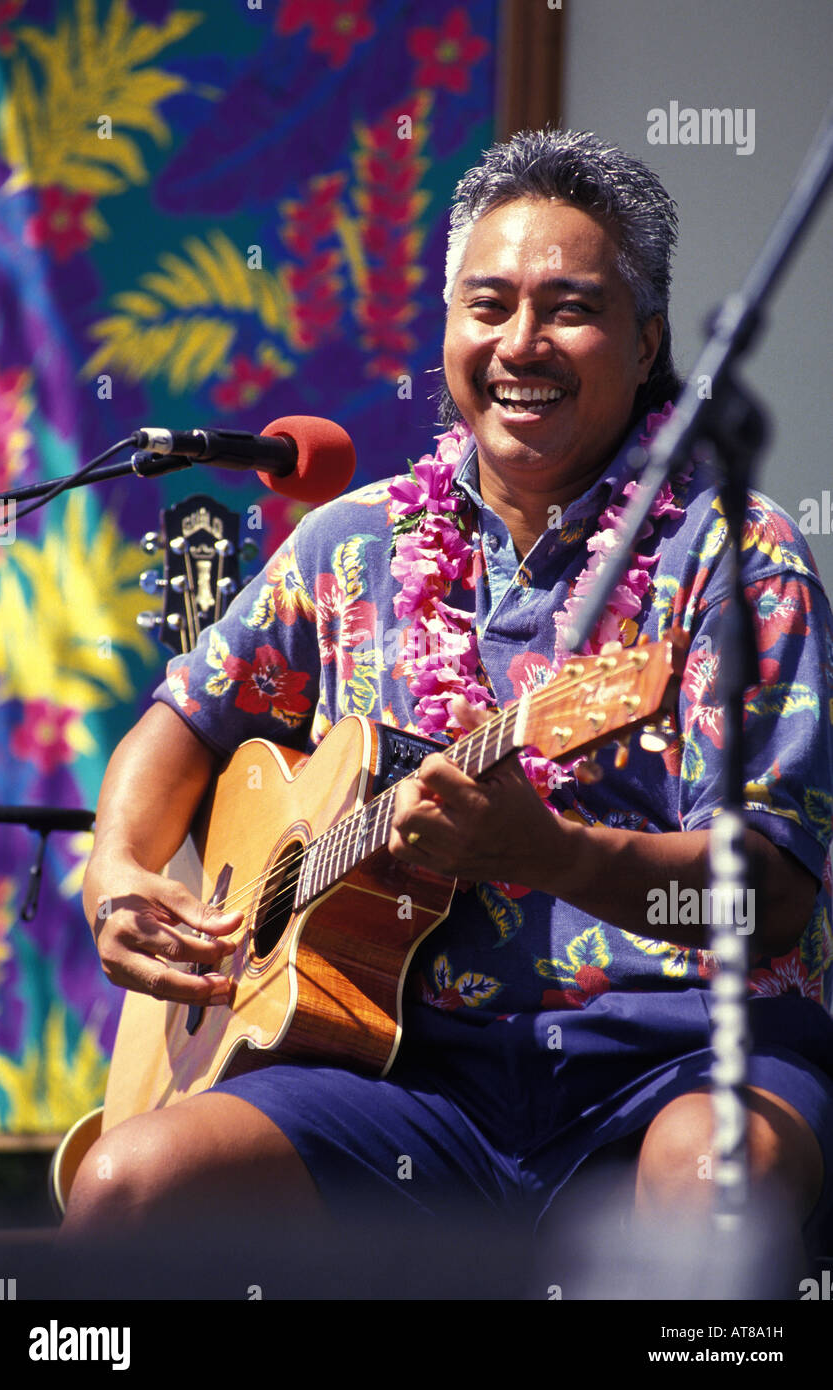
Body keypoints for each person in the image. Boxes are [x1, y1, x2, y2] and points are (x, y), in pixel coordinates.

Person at [64, 128, 833, 1292]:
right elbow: (181, 723)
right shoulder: (352, 544)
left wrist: (555, 853)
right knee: (127, 1190)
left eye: (568, 308)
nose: (520, 343)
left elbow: (766, 900)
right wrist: (117, 872)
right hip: (402, 1081)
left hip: (675, 1063)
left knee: (709, 1174)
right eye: (488, 305)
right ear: (446, 332)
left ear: (647, 340)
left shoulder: (736, 557)